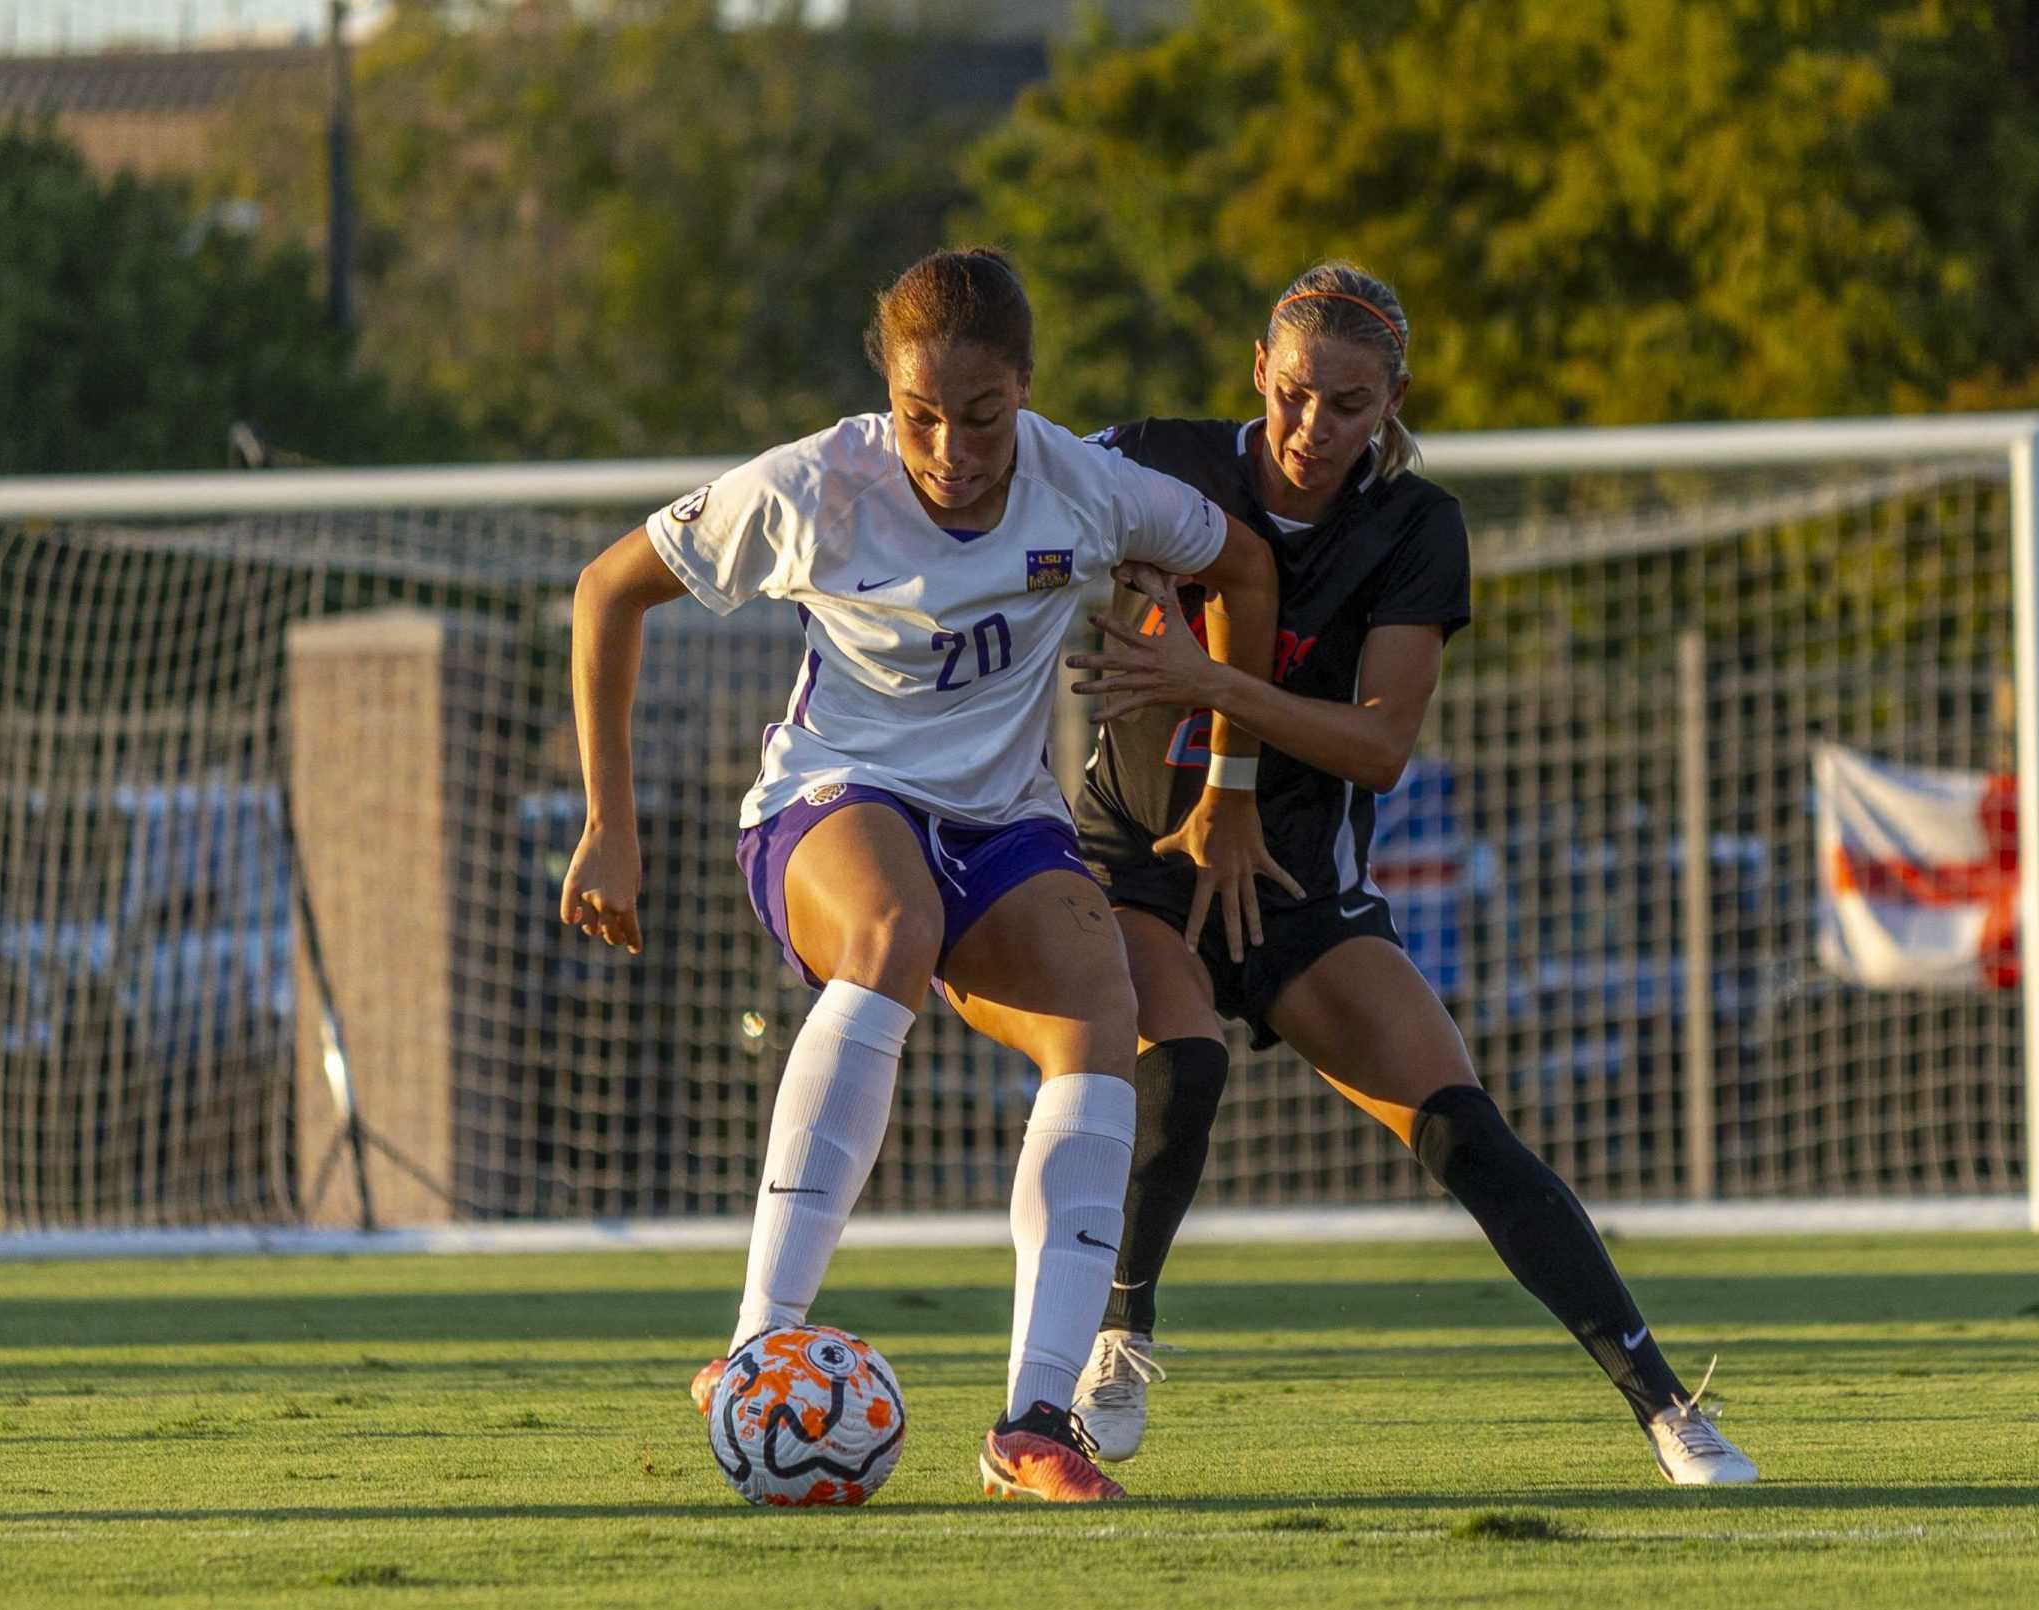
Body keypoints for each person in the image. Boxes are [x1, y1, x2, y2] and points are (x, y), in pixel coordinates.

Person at [561, 247, 1283, 1503]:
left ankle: (1035, 1425)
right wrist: (607, 824)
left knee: (1103, 1012)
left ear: (1028, 391)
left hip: (1003, 823)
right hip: (829, 800)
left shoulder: (1088, 487)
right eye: (920, 415)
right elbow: (606, 591)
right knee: (891, 925)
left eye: (982, 415)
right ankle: (755, 1345)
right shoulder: (813, 485)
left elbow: (1246, 568)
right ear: (886, 394)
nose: (949, 446)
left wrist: (1227, 775)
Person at [1064, 261, 1759, 1486]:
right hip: (1139, 858)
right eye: (1290, 395)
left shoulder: (1413, 525)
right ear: (1255, 377)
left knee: (1462, 1130)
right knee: (1181, 1057)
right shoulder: (1151, 457)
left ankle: (1663, 1404)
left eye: (1347, 402)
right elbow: (1007, 509)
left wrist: (1209, 687)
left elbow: (1379, 747)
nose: (1310, 427)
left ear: (1392, 400)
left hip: (1293, 879)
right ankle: (1118, 1332)